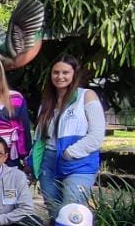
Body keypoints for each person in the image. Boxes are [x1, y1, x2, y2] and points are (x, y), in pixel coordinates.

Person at [36, 55, 105, 213]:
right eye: (56, 72)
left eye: (65, 72)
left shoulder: (86, 96)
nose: (60, 76)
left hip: (78, 162)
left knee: (72, 209)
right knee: (54, 211)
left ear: (74, 74)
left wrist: (70, 153)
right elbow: (40, 138)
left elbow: (96, 135)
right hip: (49, 162)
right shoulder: (47, 102)